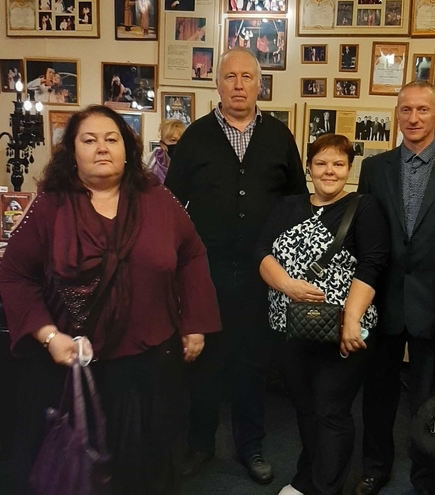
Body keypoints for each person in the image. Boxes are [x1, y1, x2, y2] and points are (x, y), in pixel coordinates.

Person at [0, 104, 221, 495]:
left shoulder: (158, 199)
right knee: (80, 471)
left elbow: (192, 255)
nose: (102, 147)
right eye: (89, 140)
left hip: (148, 366)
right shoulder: (51, 205)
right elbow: (15, 274)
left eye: (111, 139)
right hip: (74, 366)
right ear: (72, 152)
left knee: (146, 468)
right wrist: (48, 335)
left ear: (127, 149)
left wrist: (195, 322)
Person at [164, 47, 306, 484]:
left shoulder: (279, 136)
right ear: (217, 84)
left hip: (261, 275)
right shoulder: (196, 137)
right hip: (205, 274)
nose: (239, 85)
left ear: (260, 84)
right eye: (230, 77)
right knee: (203, 365)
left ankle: (251, 447)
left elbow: (297, 202)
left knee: (252, 364)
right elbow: (170, 204)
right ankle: (200, 445)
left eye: (247, 77)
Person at [355, 80, 435, 495]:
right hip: (382, 300)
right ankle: (375, 467)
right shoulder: (375, 168)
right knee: (378, 393)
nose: (413, 118)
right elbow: (365, 237)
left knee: (428, 398)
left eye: (422, 110)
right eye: (405, 109)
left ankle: (427, 478)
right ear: (397, 113)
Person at [257, 134, 390, 495]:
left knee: (331, 410)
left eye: (338, 164)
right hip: (289, 326)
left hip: (342, 329)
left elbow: (373, 265)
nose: (329, 171)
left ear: (349, 169)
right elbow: (261, 252)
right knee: (304, 407)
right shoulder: (287, 206)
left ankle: (325, 488)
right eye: (321, 163)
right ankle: (307, 477)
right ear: (309, 168)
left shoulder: (364, 207)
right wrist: (287, 285)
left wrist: (352, 320)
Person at [147, 119, 186, 184]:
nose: (179, 144)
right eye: (173, 140)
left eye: (182, 140)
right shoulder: (148, 164)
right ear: (162, 145)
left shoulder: (191, 166)